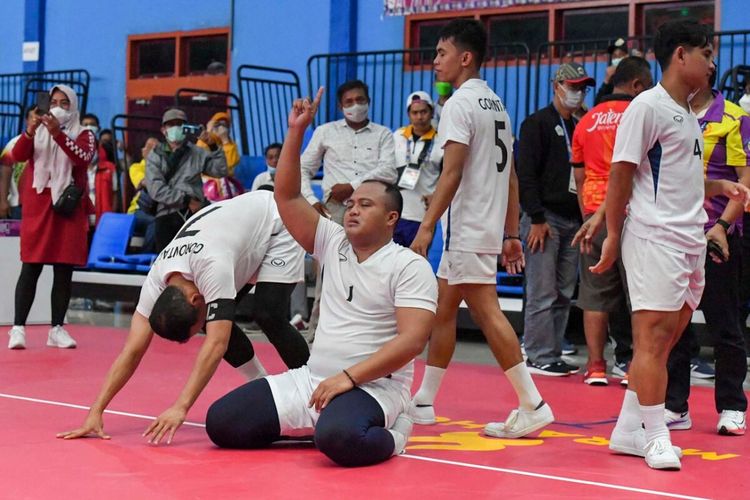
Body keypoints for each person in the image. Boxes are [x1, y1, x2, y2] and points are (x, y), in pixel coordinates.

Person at [204, 88, 438, 467]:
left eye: (365, 205)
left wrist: (348, 378)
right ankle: (317, 421)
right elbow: (287, 197)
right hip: (314, 379)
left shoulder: (409, 266)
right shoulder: (332, 241)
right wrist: (296, 131)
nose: (352, 210)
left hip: (375, 387)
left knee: (339, 439)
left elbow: (412, 342)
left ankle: (395, 435)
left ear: (391, 219)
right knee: (222, 424)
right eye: (350, 204)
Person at [593, 20, 750, 470]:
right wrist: (614, 236)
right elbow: (622, 173)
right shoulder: (647, 106)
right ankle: (656, 435)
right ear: (681, 55)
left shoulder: (687, 114)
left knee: (667, 339)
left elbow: (682, 177)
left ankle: (626, 431)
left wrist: (720, 188)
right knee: (652, 339)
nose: (713, 62)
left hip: (689, 239)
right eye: (705, 53)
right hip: (654, 237)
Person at [57, 191, 310, 443]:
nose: (204, 327)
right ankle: (262, 384)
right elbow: (131, 351)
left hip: (276, 220)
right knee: (219, 320)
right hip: (237, 238)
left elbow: (216, 343)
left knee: (267, 313)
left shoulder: (213, 266)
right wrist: (96, 410)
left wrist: (181, 406)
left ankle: (313, 388)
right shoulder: (156, 280)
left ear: (195, 299)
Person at [408, 19, 553, 438]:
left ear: (464, 57)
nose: (435, 61)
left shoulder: (458, 105)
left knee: (486, 311)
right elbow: (510, 178)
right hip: (486, 224)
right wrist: (509, 233)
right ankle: (423, 400)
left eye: (441, 53)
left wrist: (428, 225)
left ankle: (532, 403)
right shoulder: (497, 104)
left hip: (466, 225)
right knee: (444, 308)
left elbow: (450, 174)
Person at [664, 73, 750, 436]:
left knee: (725, 324)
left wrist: (722, 227)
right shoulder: (671, 115)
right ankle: (675, 406)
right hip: (675, 236)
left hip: (719, 235)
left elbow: (745, 181)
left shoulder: (733, 118)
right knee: (674, 325)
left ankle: (732, 405)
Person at [571, 57, 654, 386]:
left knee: (594, 295)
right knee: (641, 295)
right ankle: (635, 366)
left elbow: (579, 178)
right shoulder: (640, 116)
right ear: (636, 86)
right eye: (646, 87)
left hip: (592, 213)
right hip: (634, 213)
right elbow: (638, 170)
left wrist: (588, 218)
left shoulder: (585, 121)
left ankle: (595, 366)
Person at [299, 79, 397, 341]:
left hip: (372, 211)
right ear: (341, 106)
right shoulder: (325, 131)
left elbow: (389, 170)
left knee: (372, 271)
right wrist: (311, 201)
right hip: (334, 210)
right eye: (349, 102)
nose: (356, 106)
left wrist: (352, 186)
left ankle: (367, 335)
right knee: (329, 274)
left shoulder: (383, 134)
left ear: (369, 102)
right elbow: (302, 169)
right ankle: (316, 337)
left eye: (360, 100)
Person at [516, 62, 594, 376]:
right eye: (572, 86)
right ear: (557, 86)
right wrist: (535, 217)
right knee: (542, 290)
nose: (577, 93)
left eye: (582, 88)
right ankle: (536, 353)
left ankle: (553, 348)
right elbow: (526, 175)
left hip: (573, 219)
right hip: (544, 218)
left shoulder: (581, 126)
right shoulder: (536, 124)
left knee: (564, 291)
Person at [6, 85, 95, 350]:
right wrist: (31, 129)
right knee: (31, 267)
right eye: (53, 101)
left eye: (64, 102)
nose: (57, 106)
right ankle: (18, 328)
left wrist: (58, 134)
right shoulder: (37, 132)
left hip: (67, 208)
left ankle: (57, 329)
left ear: (74, 105)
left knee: (63, 270)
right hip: (38, 205)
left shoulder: (84, 133)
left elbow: (82, 158)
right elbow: (17, 155)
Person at [146, 108, 227, 252]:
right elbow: (156, 189)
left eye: (180, 124)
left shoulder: (197, 152)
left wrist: (213, 145)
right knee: (167, 266)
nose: (175, 128)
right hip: (166, 215)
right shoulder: (155, 155)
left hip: (194, 216)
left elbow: (220, 170)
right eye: (171, 125)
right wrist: (186, 200)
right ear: (163, 129)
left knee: (194, 263)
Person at [392, 91, 443, 247]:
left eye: (423, 112)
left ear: (432, 112)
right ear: (408, 114)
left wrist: (436, 195)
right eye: (414, 113)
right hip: (396, 212)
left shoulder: (441, 140)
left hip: (423, 216)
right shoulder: (398, 136)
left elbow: (448, 174)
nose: (419, 117)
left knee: (416, 263)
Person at [0, 105, 37, 220]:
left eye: (39, 116)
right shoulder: (14, 143)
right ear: (27, 120)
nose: (36, 120)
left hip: (43, 205)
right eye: (32, 117)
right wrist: (3, 201)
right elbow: (5, 172)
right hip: (18, 206)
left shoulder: (52, 143)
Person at [199, 111, 243, 202]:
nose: (221, 128)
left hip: (227, 185)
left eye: (224, 125)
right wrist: (209, 132)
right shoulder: (203, 142)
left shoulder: (229, 142)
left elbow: (230, 163)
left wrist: (225, 140)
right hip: (208, 185)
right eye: (218, 124)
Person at [127, 137, 161, 253]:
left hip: (157, 210)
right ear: (143, 151)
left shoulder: (164, 169)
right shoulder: (136, 167)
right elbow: (145, 182)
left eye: (156, 148)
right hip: (137, 212)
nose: (153, 151)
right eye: (150, 147)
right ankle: (145, 257)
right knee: (155, 222)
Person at [594, 38, 629, 105]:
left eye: (620, 55)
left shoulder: (633, 76)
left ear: (627, 56)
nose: (616, 59)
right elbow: (597, 104)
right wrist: (606, 81)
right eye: (614, 56)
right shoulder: (611, 79)